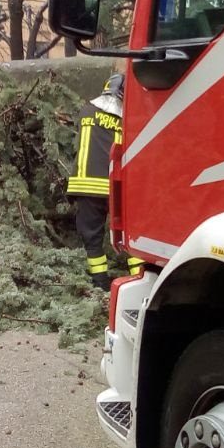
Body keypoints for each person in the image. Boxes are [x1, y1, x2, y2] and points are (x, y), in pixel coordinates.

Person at [67, 73, 143, 290]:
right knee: (131, 234)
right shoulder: (126, 120)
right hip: (114, 187)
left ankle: (99, 282)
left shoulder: (86, 111)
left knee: (92, 237)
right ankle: (140, 278)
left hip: (84, 186)